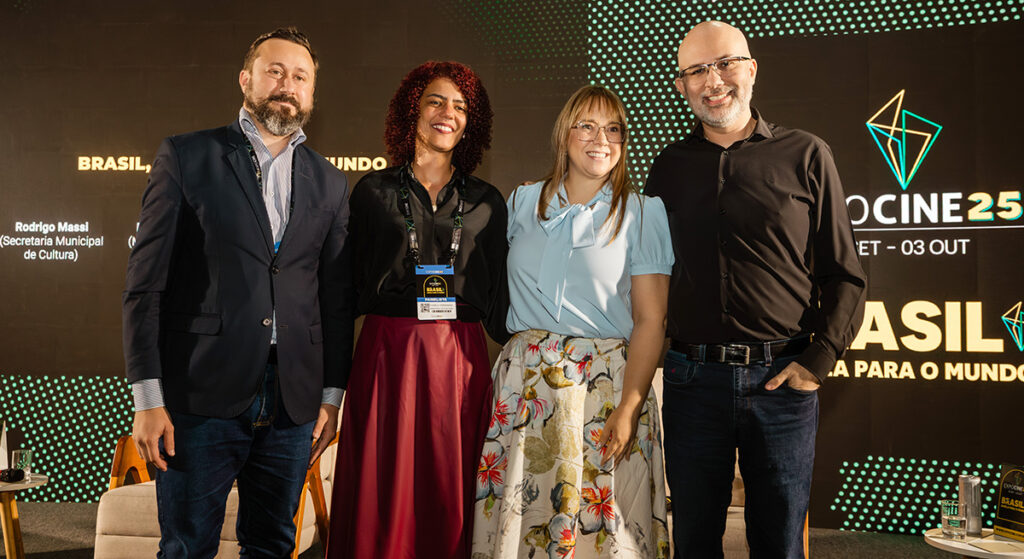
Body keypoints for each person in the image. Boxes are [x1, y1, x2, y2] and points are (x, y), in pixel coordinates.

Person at [122, 27, 352, 558]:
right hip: (198, 397)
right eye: (275, 71)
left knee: (272, 545)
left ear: (312, 93)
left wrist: (331, 397)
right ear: (245, 79)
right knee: (186, 547)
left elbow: (334, 301)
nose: (286, 85)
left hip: (294, 403)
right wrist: (148, 399)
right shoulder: (186, 156)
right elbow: (144, 286)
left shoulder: (330, 182)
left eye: (300, 77)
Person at [644, 21, 867, 558]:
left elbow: (845, 274)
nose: (712, 79)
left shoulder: (808, 154)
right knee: (694, 539)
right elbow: (644, 274)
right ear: (681, 86)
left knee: (780, 542)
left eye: (723, 63)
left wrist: (819, 359)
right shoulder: (666, 169)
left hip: (783, 382)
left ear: (750, 69)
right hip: (691, 380)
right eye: (696, 70)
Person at [472, 85, 673, 558]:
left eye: (613, 129)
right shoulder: (522, 202)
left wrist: (629, 407)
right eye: (586, 125)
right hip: (524, 390)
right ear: (564, 135)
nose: (600, 138)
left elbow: (650, 319)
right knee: (524, 529)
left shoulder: (644, 213)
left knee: (604, 533)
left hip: (604, 393)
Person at [327, 61, 509, 559]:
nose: (447, 113)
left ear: (472, 123)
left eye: (460, 106)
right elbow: (342, 295)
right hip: (388, 357)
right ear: (413, 109)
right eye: (436, 101)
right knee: (381, 491)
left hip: (460, 360)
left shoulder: (489, 203)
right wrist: (329, 388)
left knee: (450, 490)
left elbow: (503, 299)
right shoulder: (370, 192)